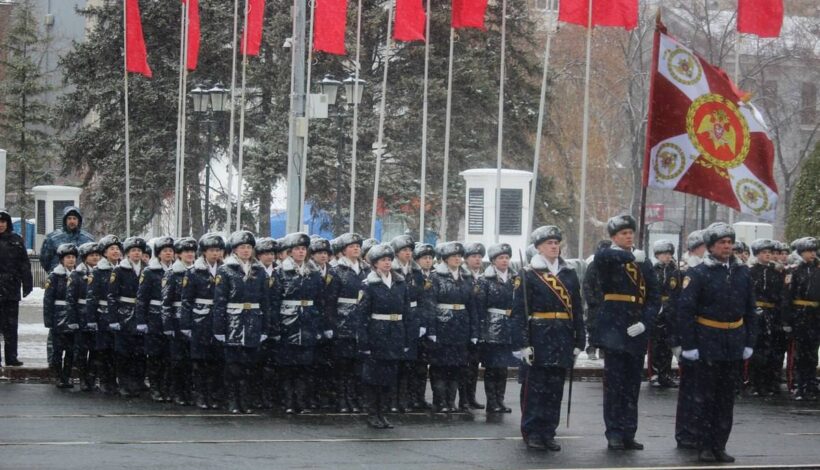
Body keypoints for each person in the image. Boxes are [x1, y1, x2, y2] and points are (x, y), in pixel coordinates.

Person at [678, 222, 757, 463]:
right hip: (707, 340)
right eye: (721, 242)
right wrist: (689, 345)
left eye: (729, 242)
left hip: (733, 342)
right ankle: (703, 445)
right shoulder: (699, 273)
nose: (727, 246)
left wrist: (749, 341)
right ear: (711, 246)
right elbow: (685, 310)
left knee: (726, 399)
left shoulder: (742, 272)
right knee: (704, 398)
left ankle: (719, 444)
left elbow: (750, 310)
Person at [512, 226, 585, 451]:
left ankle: (548, 431)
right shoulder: (528, 273)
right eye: (549, 244)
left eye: (556, 243)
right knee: (536, 388)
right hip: (539, 335)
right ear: (539, 248)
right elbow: (519, 312)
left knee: (555, 389)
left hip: (562, 335)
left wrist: (578, 342)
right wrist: (523, 344)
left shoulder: (569, 272)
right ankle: (532, 431)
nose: (554, 247)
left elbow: (577, 309)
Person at [592, 214, 659, 451]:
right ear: (613, 237)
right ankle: (614, 432)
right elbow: (602, 256)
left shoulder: (644, 262)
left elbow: (654, 298)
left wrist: (646, 323)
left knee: (632, 386)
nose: (629, 236)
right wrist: (629, 256)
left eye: (631, 233)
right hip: (615, 327)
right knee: (615, 386)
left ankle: (629, 431)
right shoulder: (609, 258)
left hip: (636, 327)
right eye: (623, 234)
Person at [213, 231, 273, 414]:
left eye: (249, 247)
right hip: (233, 321)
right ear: (235, 250)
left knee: (249, 365)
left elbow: (266, 301)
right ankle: (232, 400)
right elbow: (220, 301)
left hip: (253, 320)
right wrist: (219, 327)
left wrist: (265, 327)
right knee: (233, 366)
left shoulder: (259, 270)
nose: (246, 251)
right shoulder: (225, 270)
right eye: (242, 247)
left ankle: (245, 400)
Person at [357, 243, 411, 429]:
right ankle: (372, 413)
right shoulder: (368, 285)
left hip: (395, 332)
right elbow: (362, 315)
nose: (387, 263)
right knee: (374, 377)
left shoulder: (400, 283)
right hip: (377, 333)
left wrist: (406, 339)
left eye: (389, 259)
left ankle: (383, 413)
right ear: (374, 264)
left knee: (389, 377)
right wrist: (364, 343)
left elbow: (406, 312)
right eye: (383, 260)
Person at [272, 232, 325, 414]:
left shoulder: (314, 273)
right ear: (290, 252)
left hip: (308, 322)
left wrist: (319, 325)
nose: (301, 252)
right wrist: (275, 327)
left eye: (303, 249)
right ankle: (288, 401)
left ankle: (302, 401)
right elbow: (274, 301)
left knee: (305, 366)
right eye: (297, 249)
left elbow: (319, 300)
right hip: (288, 322)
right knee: (288, 366)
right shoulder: (279, 272)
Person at [428, 242, 479, 413]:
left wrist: (473, 331)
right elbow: (430, 305)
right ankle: (440, 401)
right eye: (453, 256)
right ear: (445, 259)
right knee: (440, 366)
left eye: (459, 256)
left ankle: (451, 401)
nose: (457, 259)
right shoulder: (435, 277)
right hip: (443, 325)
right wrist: (432, 330)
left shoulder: (467, 278)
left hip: (461, 326)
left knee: (457, 366)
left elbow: (472, 306)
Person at [180, 233, 225, 410]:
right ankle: (200, 394)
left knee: (216, 361)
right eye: (212, 250)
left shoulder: (226, 270)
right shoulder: (193, 272)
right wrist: (186, 324)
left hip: (219, 319)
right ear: (204, 252)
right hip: (200, 319)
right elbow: (187, 300)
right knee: (200, 361)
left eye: (218, 250)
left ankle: (214, 394)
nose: (215, 254)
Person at [327, 233, 368, 413]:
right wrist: (331, 325)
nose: (356, 248)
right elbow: (329, 301)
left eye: (358, 246)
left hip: (361, 323)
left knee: (358, 366)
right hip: (343, 323)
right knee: (343, 366)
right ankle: (342, 399)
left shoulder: (366, 270)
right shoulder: (335, 271)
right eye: (352, 246)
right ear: (344, 250)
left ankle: (355, 398)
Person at [672, 229, 705, 449]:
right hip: (688, 336)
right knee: (689, 390)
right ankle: (685, 432)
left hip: (706, 336)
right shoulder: (684, 271)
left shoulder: (707, 270)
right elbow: (675, 309)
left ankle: (699, 429)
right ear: (695, 248)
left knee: (703, 389)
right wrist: (676, 341)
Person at [477, 242, 518, 414]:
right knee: (492, 367)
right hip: (491, 326)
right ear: (493, 261)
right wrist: (481, 329)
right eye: (501, 258)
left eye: (507, 257)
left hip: (509, 326)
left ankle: (500, 400)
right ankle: (491, 401)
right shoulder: (485, 280)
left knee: (503, 368)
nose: (504, 261)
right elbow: (480, 306)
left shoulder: (516, 278)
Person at [389, 234, 428, 413]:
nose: (408, 253)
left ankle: (406, 399)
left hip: (412, 317)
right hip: (396, 317)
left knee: (409, 364)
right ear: (396, 253)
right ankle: (393, 400)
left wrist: (421, 321)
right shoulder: (391, 270)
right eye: (404, 250)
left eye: (410, 250)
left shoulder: (416, 272)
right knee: (395, 363)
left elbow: (422, 298)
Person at [137, 236, 176, 402]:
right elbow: (141, 299)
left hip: (171, 318)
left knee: (169, 356)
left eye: (171, 251)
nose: (168, 253)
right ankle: (155, 387)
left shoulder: (176, 271)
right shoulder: (150, 272)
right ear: (158, 254)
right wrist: (141, 320)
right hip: (154, 317)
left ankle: (167, 387)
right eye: (165, 251)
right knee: (155, 356)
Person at [109, 236, 148, 398]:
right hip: (124, 315)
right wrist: (113, 319)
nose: (137, 253)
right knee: (124, 352)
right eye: (133, 251)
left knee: (140, 352)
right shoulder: (119, 270)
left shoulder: (147, 269)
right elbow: (112, 296)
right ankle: (124, 383)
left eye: (139, 250)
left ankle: (138, 382)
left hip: (141, 315)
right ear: (127, 254)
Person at [161, 237, 197, 406]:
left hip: (194, 320)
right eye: (186, 252)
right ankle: (176, 391)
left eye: (192, 251)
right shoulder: (172, 273)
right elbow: (166, 302)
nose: (190, 254)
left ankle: (188, 390)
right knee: (177, 359)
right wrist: (167, 324)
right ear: (179, 255)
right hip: (176, 320)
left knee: (191, 359)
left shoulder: (198, 271)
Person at [748, 238, 786, 397]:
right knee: (757, 351)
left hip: (772, 313)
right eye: (764, 253)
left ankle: (769, 382)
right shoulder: (751, 272)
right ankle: (755, 383)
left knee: (772, 351)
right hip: (757, 313)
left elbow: (781, 295)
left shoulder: (776, 273)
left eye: (769, 253)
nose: (767, 255)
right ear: (757, 255)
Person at [783, 237, 819, 401]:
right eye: (809, 251)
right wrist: (788, 320)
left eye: (814, 251)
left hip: (815, 315)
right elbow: (788, 297)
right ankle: (800, 384)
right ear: (801, 253)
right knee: (801, 352)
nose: (813, 254)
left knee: (812, 353)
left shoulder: (818, 270)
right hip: (800, 315)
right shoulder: (795, 271)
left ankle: (811, 383)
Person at [86, 235, 123, 394]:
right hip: (103, 315)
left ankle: (115, 379)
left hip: (120, 315)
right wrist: (92, 319)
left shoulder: (123, 269)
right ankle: (105, 380)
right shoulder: (98, 271)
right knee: (104, 350)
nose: (115, 252)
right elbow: (92, 297)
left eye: (117, 249)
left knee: (117, 350)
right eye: (111, 249)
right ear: (105, 253)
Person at [66, 242, 101, 391]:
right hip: (81, 315)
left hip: (97, 316)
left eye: (97, 255)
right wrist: (72, 319)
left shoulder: (100, 273)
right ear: (85, 258)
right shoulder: (77, 274)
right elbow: (71, 299)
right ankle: (82, 378)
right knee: (81, 350)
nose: (95, 258)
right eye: (91, 255)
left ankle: (92, 378)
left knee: (95, 350)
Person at [0, 208, 33, 367]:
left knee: (11, 326)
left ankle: (11, 357)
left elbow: (24, 264)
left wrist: (27, 283)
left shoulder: (16, 240)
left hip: (11, 289)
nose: (0, 225)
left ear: (8, 223)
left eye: (3, 222)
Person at [44, 243, 79, 388]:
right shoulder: (55, 276)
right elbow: (48, 300)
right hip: (58, 316)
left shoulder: (78, 275)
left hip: (73, 317)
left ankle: (67, 375)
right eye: (67, 257)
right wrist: (48, 320)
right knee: (58, 349)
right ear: (61, 260)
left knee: (71, 350)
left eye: (73, 257)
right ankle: (58, 375)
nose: (71, 260)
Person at [309, 236, 336, 410]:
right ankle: (312, 396)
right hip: (312, 319)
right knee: (312, 364)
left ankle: (325, 396)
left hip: (330, 319)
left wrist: (330, 324)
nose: (323, 256)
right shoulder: (310, 272)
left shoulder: (333, 272)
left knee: (328, 363)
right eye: (319, 253)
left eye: (326, 253)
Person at [252, 237, 279, 409]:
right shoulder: (254, 272)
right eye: (266, 254)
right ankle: (256, 395)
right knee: (257, 362)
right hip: (257, 319)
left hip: (276, 319)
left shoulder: (279, 272)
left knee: (272, 362)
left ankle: (269, 395)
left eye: (272, 254)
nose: (270, 257)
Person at [649, 240, 680, 388]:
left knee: (668, 345)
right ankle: (654, 373)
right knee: (655, 345)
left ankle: (665, 374)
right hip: (657, 309)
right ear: (657, 255)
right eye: (663, 254)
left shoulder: (676, 271)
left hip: (671, 309)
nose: (667, 257)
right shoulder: (653, 271)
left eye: (669, 254)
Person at [459, 242, 486, 411]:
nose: (477, 260)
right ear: (466, 259)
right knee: (464, 365)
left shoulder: (482, 278)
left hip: (480, 324)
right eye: (473, 257)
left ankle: (471, 396)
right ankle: (463, 399)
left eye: (479, 257)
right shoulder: (463, 276)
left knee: (474, 364)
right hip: (466, 324)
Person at [411, 242, 437, 409]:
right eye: (424, 258)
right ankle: (411, 397)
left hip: (431, 324)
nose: (428, 261)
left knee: (423, 366)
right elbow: (419, 302)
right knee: (413, 366)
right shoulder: (416, 276)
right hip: (417, 323)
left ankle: (420, 397)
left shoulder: (434, 277)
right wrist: (421, 322)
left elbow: (433, 304)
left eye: (430, 258)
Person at [39, 206, 94, 273]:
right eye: (69, 218)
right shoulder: (53, 238)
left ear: (79, 220)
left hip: (82, 277)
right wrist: (54, 272)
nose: (72, 221)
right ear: (65, 220)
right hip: (59, 277)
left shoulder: (88, 239)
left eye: (74, 218)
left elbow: (93, 259)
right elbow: (45, 260)